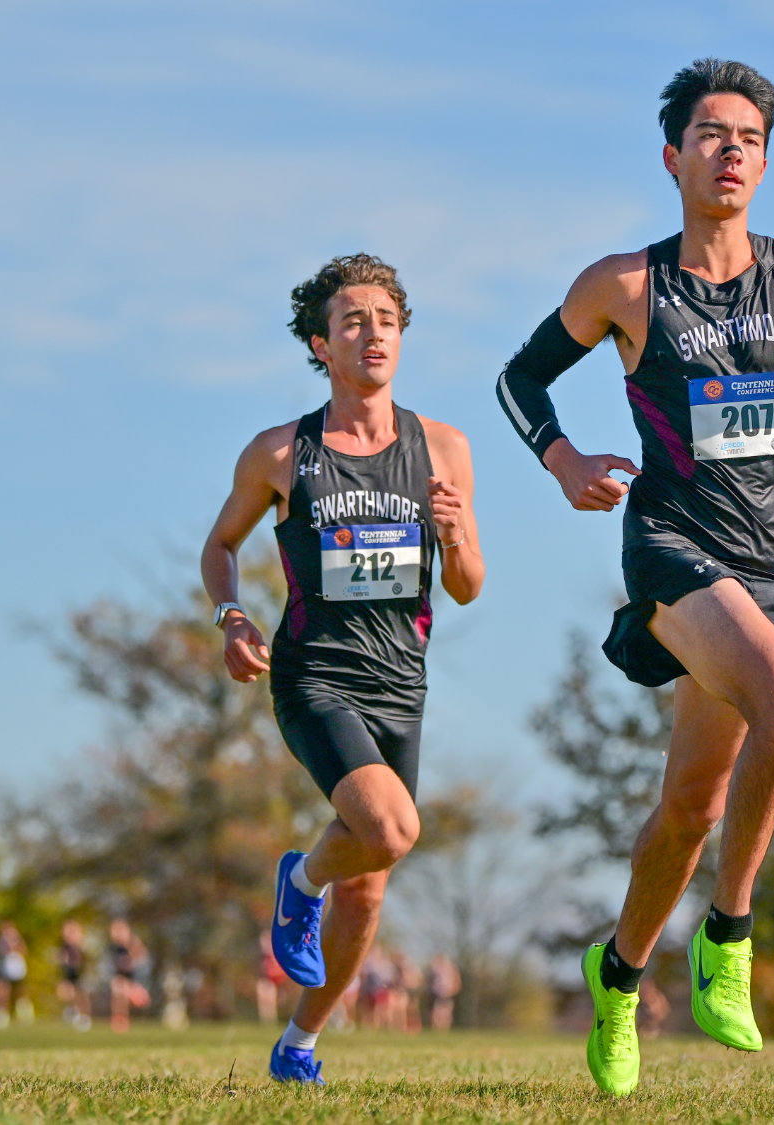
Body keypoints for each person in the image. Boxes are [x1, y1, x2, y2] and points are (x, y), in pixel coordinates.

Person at [494, 59, 774, 1097]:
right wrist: (563, 459)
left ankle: (619, 975)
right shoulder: (625, 287)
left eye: (748, 139)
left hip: (772, 577)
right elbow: (518, 379)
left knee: (689, 808)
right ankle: (727, 938)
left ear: (764, 164)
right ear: (672, 156)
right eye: (711, 135)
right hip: (673, 551)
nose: (730, 150)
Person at [200, 253, 485, 1086]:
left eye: (386, 320)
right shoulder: (281, 452)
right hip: (314, 674)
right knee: (391, 829)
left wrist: (459, 531)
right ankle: (301, 875)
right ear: (321, 345)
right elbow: (221, 546)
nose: (373, 333)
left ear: (402, 338)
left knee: (369, 893)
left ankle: (298, 1043)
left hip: (403, 684)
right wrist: (232, 615)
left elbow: (466, 589)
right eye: (353, 321)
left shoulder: (445, 450)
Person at [108, 919, 150, 1033]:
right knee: (118, 992)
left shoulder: (133, 944)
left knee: (128, 996)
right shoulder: (115, 947)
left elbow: (142, 956)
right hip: (121, 977)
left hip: (133, 977)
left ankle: (123, 1017)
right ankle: (118, 1018)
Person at [0, 920, 28, 1028]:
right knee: (2, 990)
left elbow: (24, 950)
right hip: (4, 968)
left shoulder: (18, 939)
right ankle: (1, 1012)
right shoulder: (1, 940)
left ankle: (23, 1011)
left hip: (17, 968)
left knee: (19, 991)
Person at [57, 919, 89, 1030]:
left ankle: (83, 1016)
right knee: (67, 992)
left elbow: (82, 958)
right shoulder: (65, 945)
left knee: (81, 994)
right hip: (68, 972)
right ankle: (72, 1011)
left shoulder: (79, 945)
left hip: (78, 971)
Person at [255, 930, 288, 1026]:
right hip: (265, 978)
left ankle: (271, 1020)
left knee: (271, 1000)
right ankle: (265, 1020)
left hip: (274, 978)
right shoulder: (262, 956)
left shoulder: (276, 953)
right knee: (263, 998)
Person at [426, 952, 460, 1031]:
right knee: (436, 1013)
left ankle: (444, 1030)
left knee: (446, 1013)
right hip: (437, 994)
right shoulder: (434, 971)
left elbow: (457, 982)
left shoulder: (451, 969)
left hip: (448, 994)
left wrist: (452, 991)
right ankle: (436, 1030)